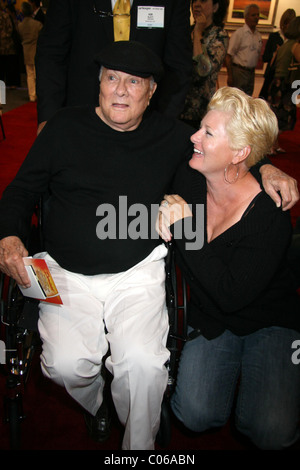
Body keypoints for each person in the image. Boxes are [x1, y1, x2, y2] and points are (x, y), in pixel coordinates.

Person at [0, 41, 298, 450]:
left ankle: (138, 450)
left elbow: (227, 150)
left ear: (152, 91)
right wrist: (9, 238)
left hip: (137, 274)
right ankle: (97, 406)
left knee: (143, 366)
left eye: (133, 81)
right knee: (65, 366)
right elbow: (19, 192)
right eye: (111, 78)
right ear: (99, 84)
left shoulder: (175, 137)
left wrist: (265, 166)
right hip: (66, 274)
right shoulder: (63, 128)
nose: (120, 90)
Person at [157, 86, 300, 450]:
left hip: (268, 320)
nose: (194, 136)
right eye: (200, 127)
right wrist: (164, 206)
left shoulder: (270, 217)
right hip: (211, 319)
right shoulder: (191, 176)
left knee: (271, 430)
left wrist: (185, 229)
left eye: (207, 132)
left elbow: (230, 295)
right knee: (193, 412)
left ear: (239, 152)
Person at [35, 0, 192, 134]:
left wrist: (165, 124)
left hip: (147, 126)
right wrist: (48, 118)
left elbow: (178, 65)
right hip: (80, 120)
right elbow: (51, 54)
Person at [180, 0, 229, 129]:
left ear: (215, 7)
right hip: (179, 105)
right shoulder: (183, 32)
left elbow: (203, 70)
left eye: (202, 0)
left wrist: (197, 34)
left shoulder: (219, 35)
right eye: (194, 0)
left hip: (200, 110)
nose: (196, 4)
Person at [267, 17, 300, 146]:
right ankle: (271, 144)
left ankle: (274, 144)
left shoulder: (285, 44)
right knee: (285, 116)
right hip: (286, 84)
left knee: (277, 114)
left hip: (278, 83)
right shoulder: (295, 46)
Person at [259, 8, 296, 101]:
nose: (287, 25)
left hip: (286, 78)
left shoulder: (294, 42)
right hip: (272, 75)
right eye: (286, 22)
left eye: (290, 23)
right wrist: (276, 53)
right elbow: (265, 57)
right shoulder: (274, 36)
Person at [225, 4, 262, 96]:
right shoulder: (239, 34)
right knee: (237, 98)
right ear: (246, 17)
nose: (256, 17)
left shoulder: (258, 35)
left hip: (251, 73)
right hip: (239, 72)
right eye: (253, 15)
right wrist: (230, 76)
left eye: (258, 15)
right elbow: (228, 56)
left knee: (248, 99)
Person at [18, 2, 42, 102]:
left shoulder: (20, 25)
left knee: (30, 74)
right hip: (36, 50)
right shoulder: (37, 24)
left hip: (26, 51)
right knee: (38, 74)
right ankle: (39, 94)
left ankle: (32, 95)